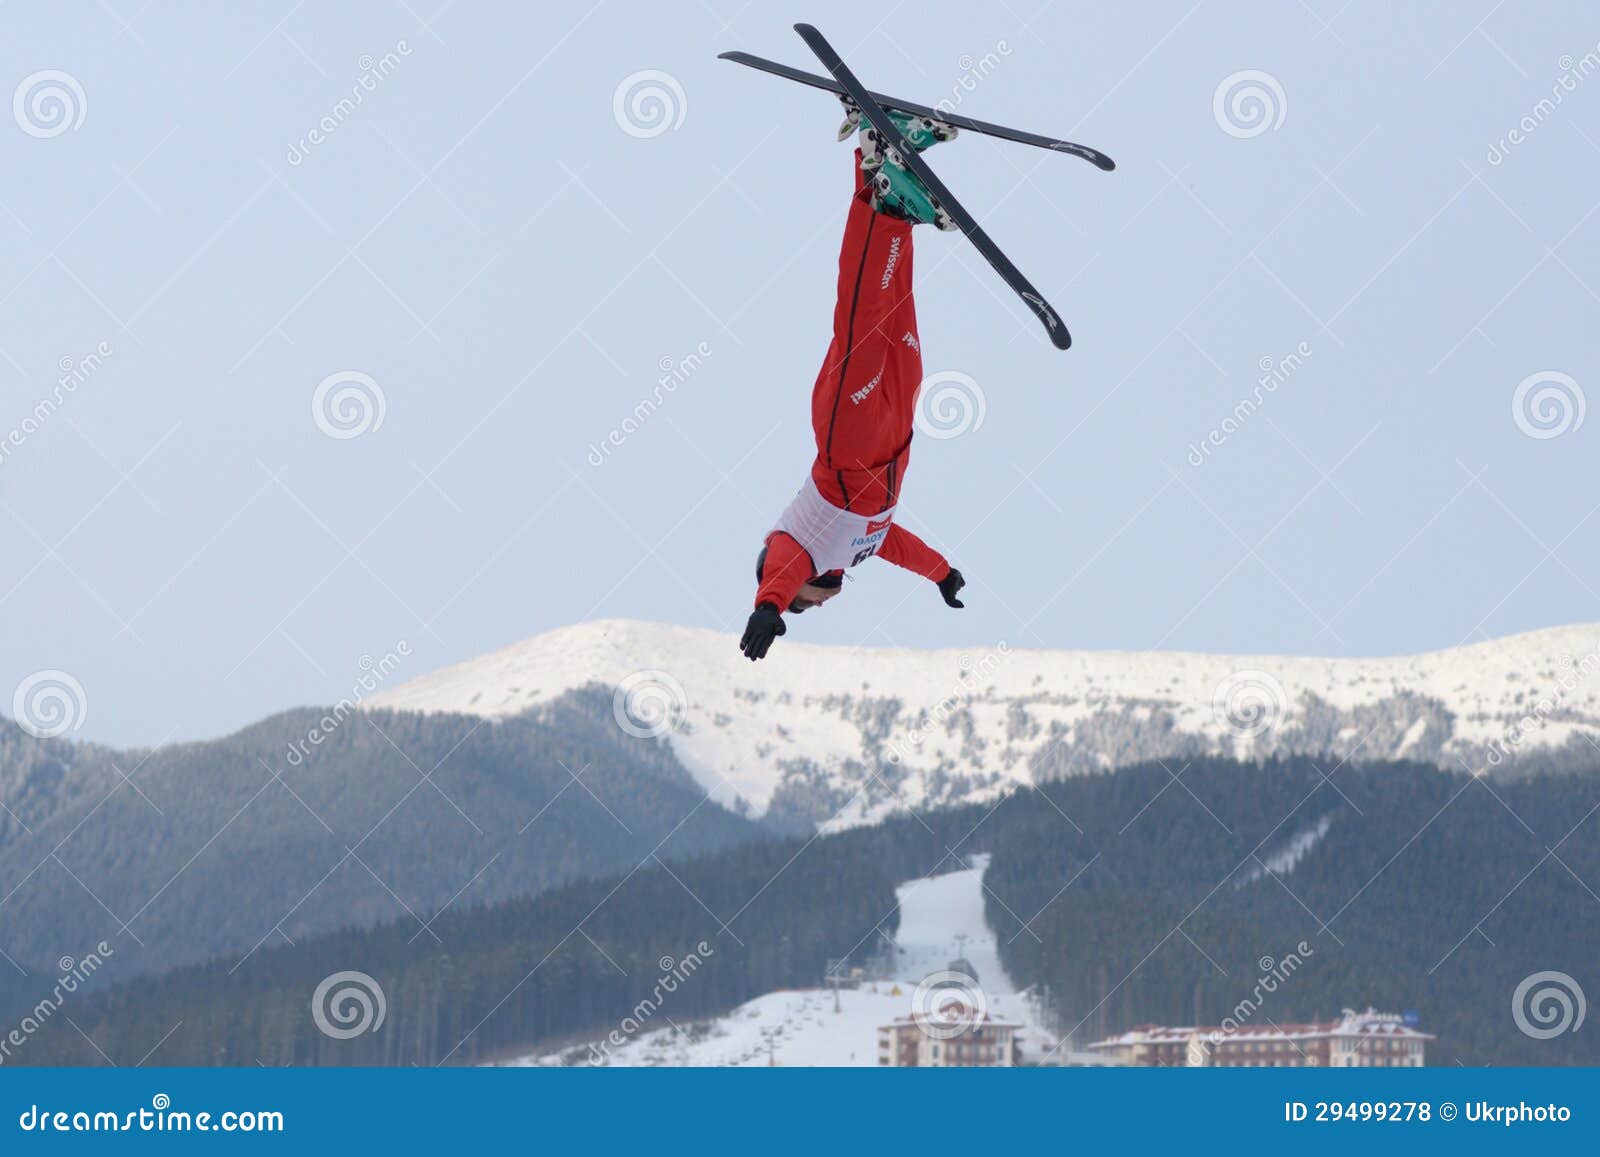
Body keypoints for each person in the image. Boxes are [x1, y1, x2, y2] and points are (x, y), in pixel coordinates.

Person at [740, 104, 968, 662]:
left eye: (804, 605)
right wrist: (943, 573)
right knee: (898, 318)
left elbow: (782, 566)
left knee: (862, 316)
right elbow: (899, 547)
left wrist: (770, 607)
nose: (813, 606)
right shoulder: (858, 549)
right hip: (893, 431)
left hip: (848, 439)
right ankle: (878, 165)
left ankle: (886, 202)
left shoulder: (797, 553)